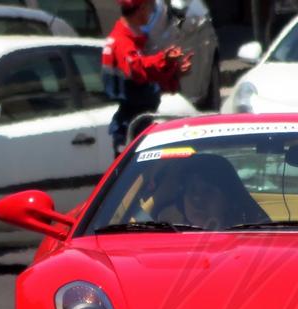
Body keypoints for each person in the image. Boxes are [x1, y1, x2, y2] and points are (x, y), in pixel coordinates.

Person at [102, 0, 193, 157]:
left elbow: (150, 79)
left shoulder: (136, 40)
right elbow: (138, 70)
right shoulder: (122, 42)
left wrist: (175, 71)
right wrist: (164, 60)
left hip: (139, 121)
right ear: (142, 8)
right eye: (151, 8)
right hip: (131, 125)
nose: (152, 13)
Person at [140, 154, 270, 230]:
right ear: (181, 201)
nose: (197, 199)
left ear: (229, 199)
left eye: (208, 191)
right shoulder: (163, 239)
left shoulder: (257, 240)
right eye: (191, 190)